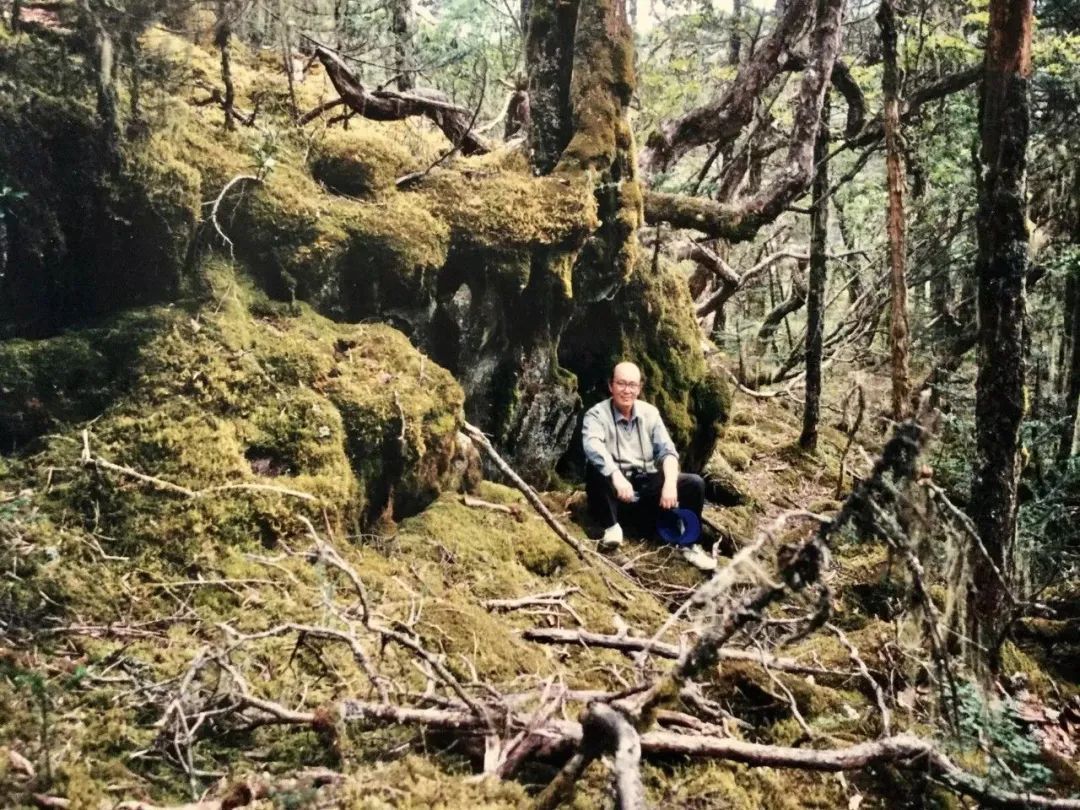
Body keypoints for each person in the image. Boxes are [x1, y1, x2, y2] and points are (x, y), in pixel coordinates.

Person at [582, 361, 716, 572]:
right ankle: (611, 529)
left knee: (694, 483)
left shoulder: (650, 414)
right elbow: (592, 447)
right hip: (614, 495)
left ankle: (689, 544)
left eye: (632, 385)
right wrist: (616, 476)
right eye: (621, 384)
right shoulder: (596, 415)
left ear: (639, 388)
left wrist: (670, 483)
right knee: (597, 469)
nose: (627, 390)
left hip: (644, 490)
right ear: (611, 386)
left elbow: (668, 452)